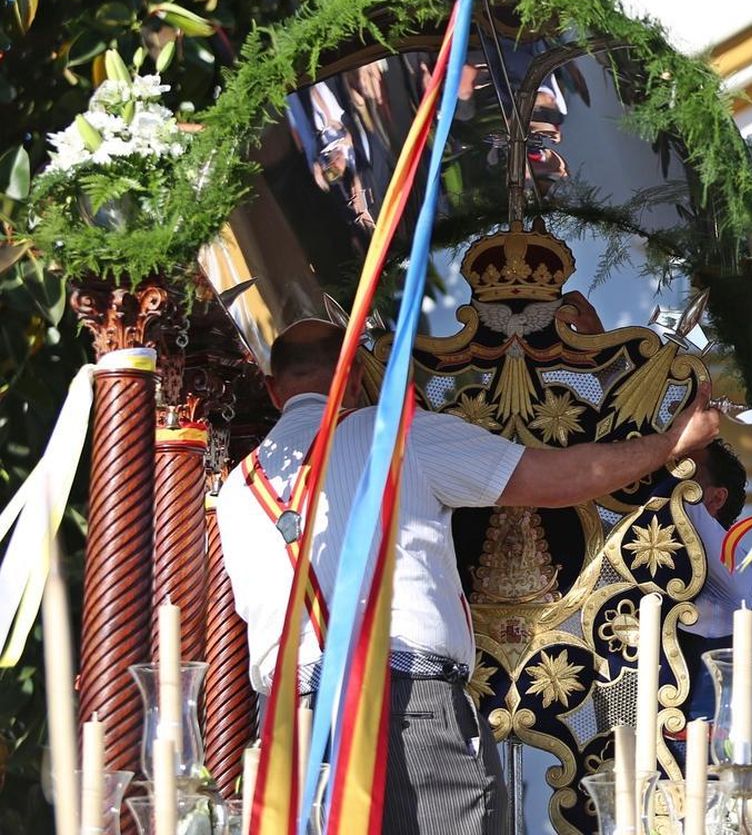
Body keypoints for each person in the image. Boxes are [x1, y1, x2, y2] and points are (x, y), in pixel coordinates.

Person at [214, 318, 721, 835]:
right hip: (405, 711)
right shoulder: (393, 436)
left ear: (274, 389)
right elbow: (561, 479)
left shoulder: (234, 491)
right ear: (356, 375)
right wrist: (673, 442)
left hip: (289, 729)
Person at [677, 439, 752, 724]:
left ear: (716, 498)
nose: (671, 472)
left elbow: (677, 500)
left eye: (685, 469)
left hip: (699, 737)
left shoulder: (737, 562)